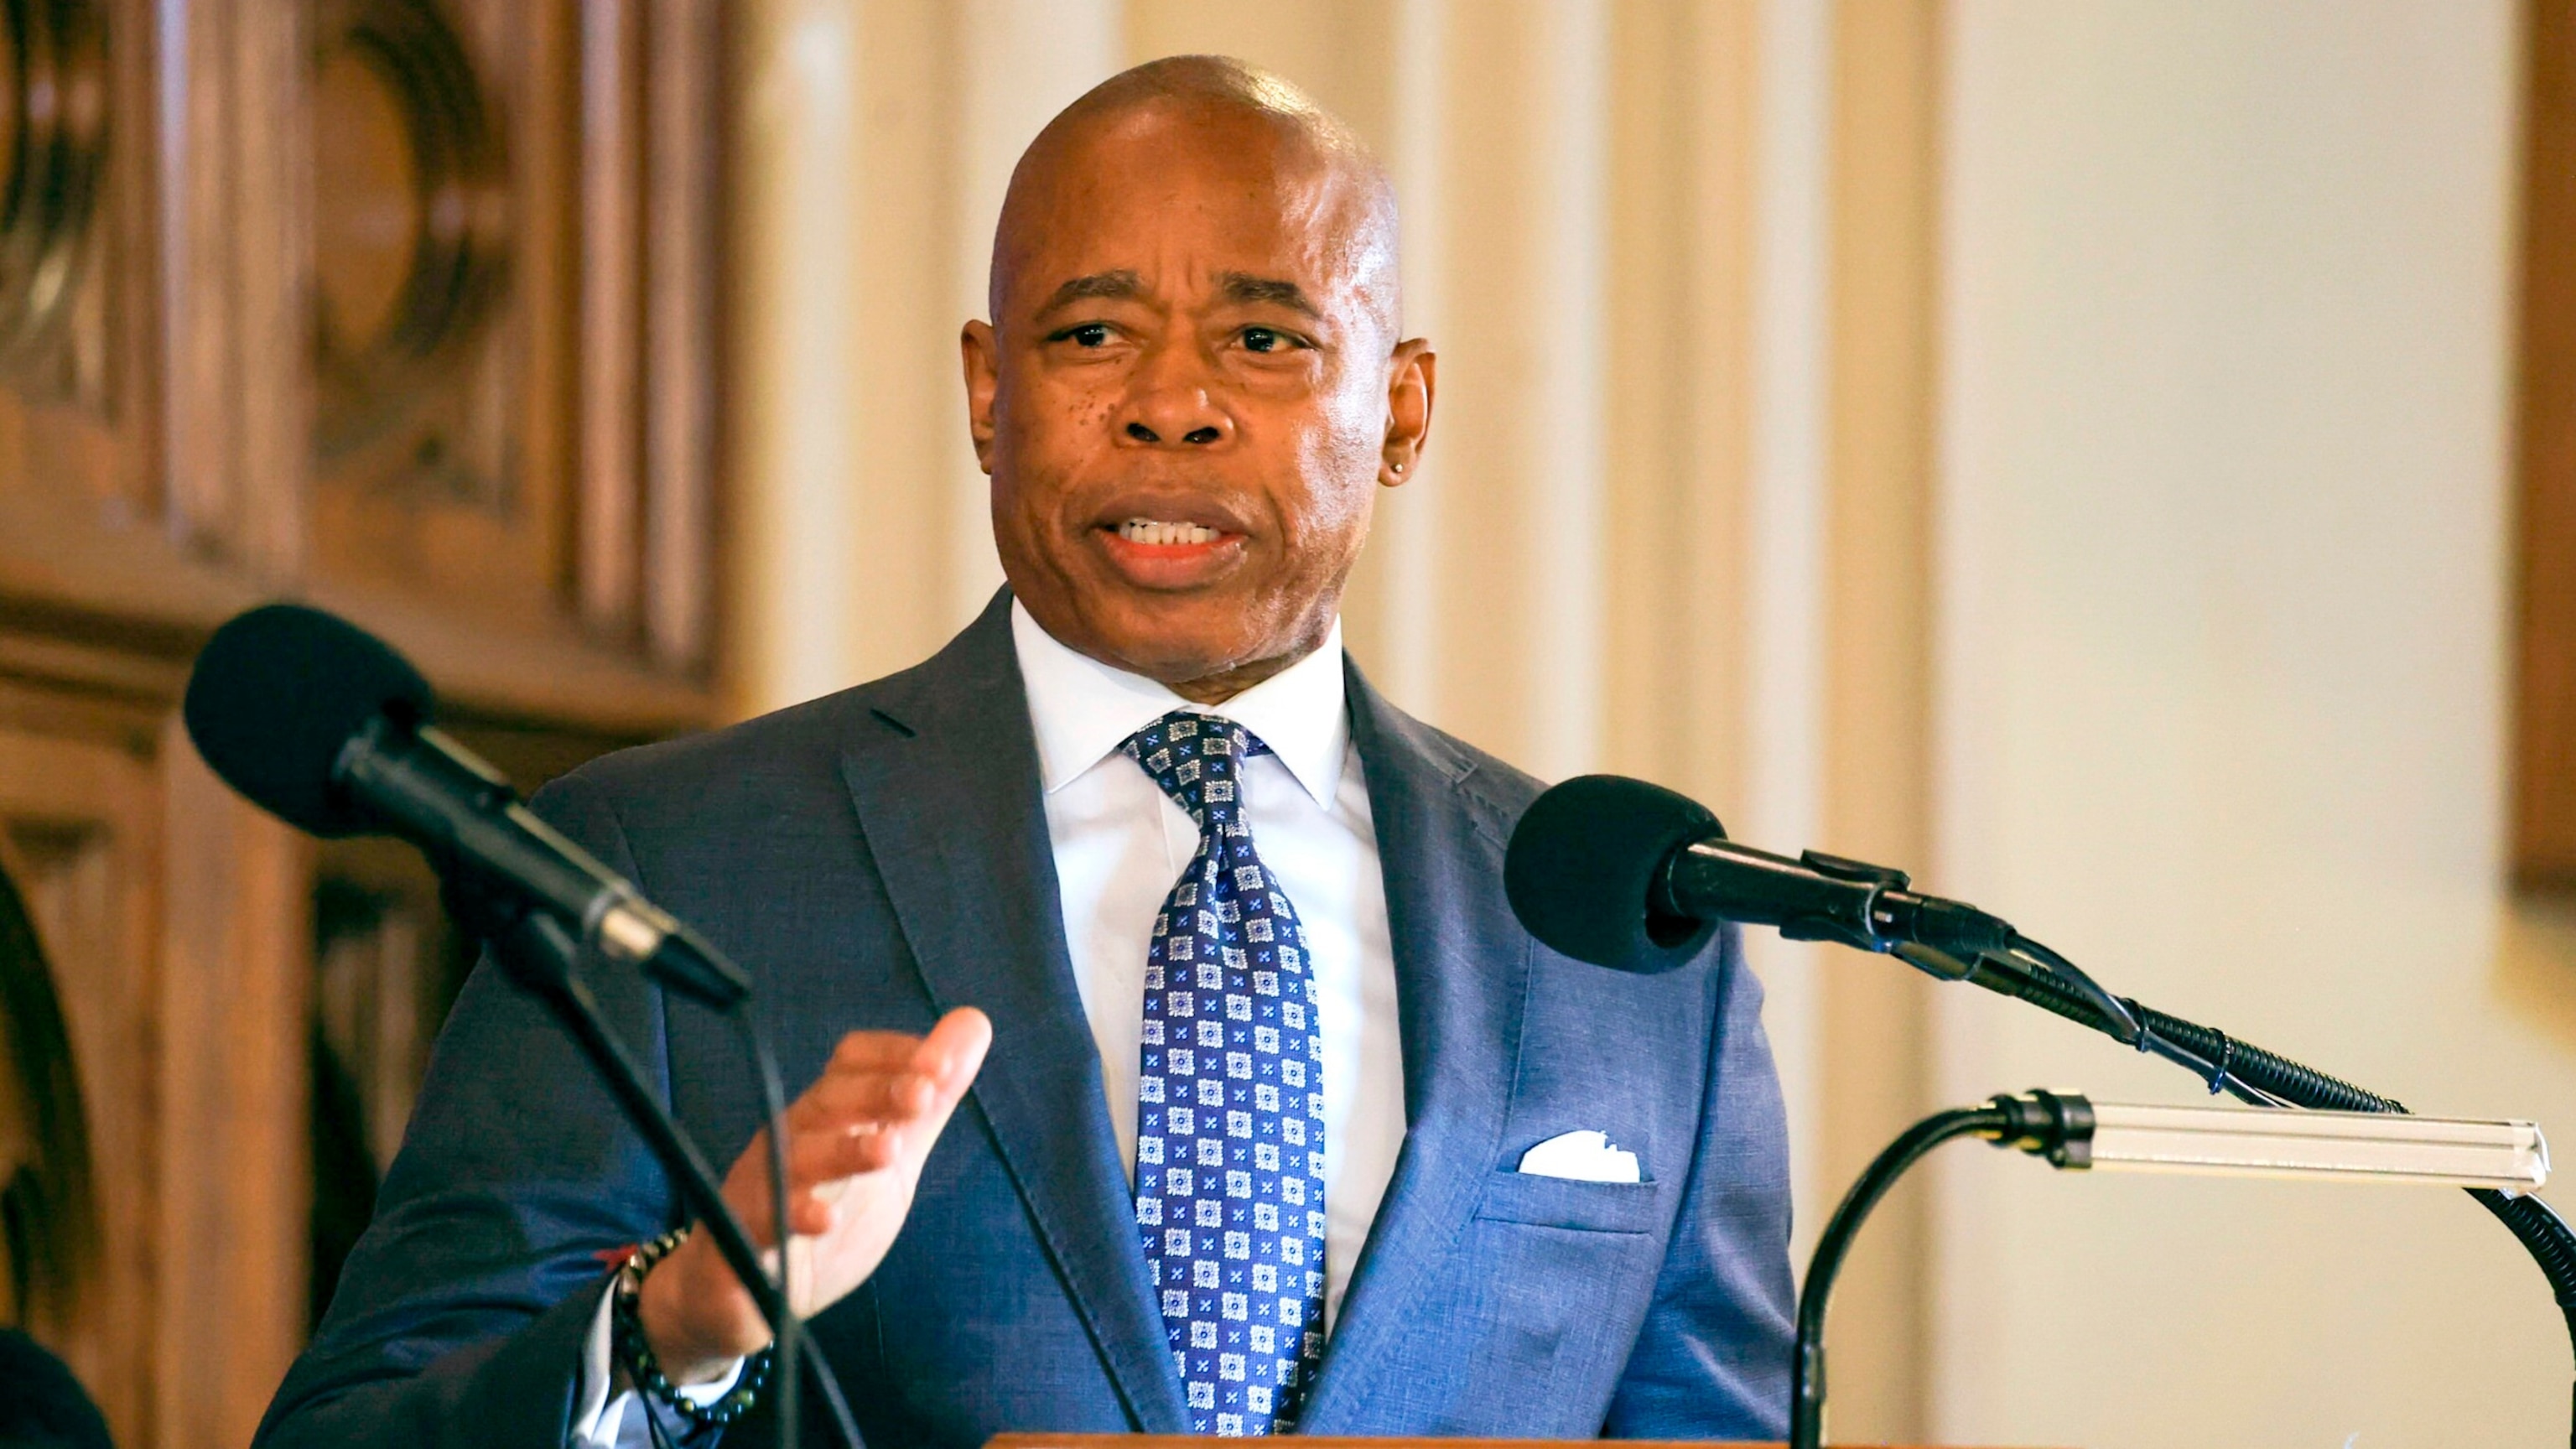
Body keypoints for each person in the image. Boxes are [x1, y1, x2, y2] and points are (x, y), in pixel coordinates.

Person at [256, 55, 1792, 1447]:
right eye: (1095, 334)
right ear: (993, 395)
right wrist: (680, 1332)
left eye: (1264, 336)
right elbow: (356, 1433)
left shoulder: (1637, 946)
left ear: (1401, 409)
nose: (1173, 407)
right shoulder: (660, 866)